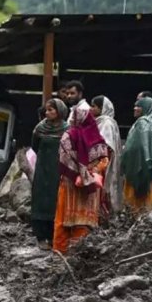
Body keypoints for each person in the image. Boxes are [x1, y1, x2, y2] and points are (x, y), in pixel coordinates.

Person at [52, 103, 109, 253]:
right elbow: (104, 160)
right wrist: (90, 172)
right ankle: (81, 252)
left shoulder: (68, 135)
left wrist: (78, 173)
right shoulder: (97, 137)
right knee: (85, 221)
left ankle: (61, 251)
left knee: (64, 219)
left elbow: (63, 159)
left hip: (71, 183)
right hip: (90, 187)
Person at [30, 99, 69, 249]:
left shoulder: (67, 129)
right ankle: (40, 236)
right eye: (46, 110)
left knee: (55, 199)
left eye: (51, 110)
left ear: (59, 111)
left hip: (58, 170)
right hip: (42, 169)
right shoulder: (40, 128)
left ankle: (54, 236)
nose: (47, 113)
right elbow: (35, 146)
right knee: (40, 198)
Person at [121, 97, 152, 214]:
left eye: (139, 106)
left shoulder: (143, 124)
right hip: (151, 168)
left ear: (146, 108)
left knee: (139, 203)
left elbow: (142, 149)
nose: (135, 108)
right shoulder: (151, 124)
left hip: (143, 168)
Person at [91, 95, 122, 217]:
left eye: (94, 106)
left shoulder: (107, 123)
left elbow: (106, 146)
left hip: (101, 166)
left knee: (101, 191)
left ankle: (102, 218)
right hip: (96, 164)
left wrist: (96, 164)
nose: (91, 109)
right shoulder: (98, 122)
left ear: (102, 108)